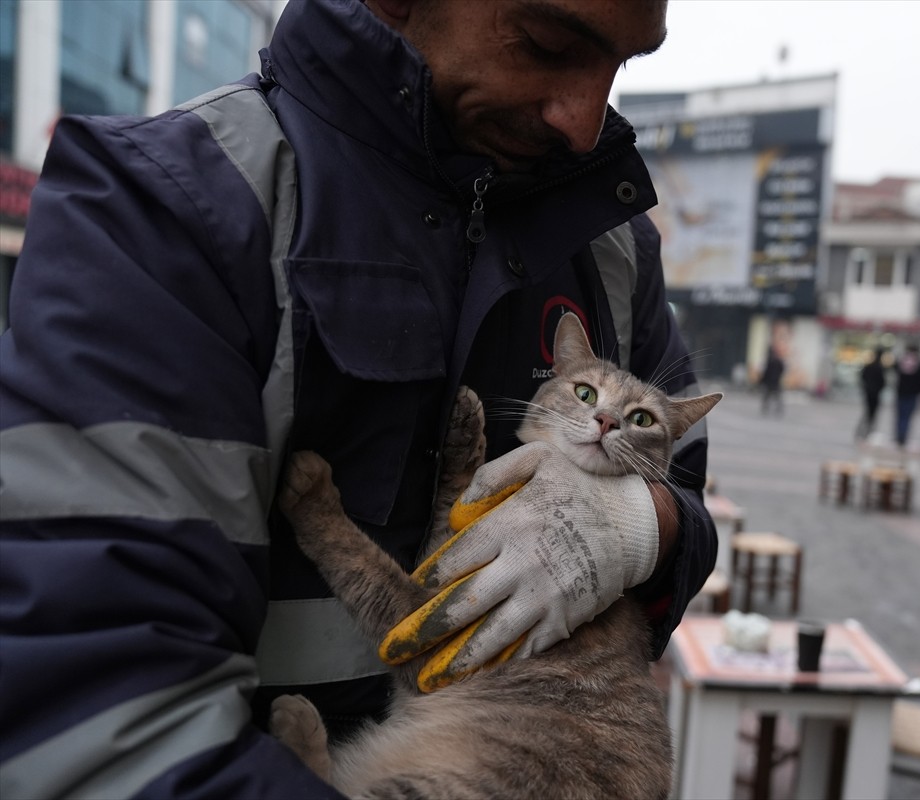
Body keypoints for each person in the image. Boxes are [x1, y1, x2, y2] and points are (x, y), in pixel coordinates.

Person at [0, 1, 717, 797]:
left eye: (623, 66)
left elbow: (684, 496)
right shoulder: (169, 205)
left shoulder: (616, 244)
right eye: (548, 44)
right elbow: (100, 714)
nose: (586, 123)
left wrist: (648, 527)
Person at [893, 344, 920, 448]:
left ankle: (899, 436)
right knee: (907, 417)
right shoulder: (919, 364)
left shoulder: (902, 361)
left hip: (901, 393)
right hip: (912, 394)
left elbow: (895, 370)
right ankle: (903, 437)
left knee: (899, 416)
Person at [855, 347, 886, 440]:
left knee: (868, 413)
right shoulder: (879, 367)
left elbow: (862, 377)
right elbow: (883, 382)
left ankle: (863, 431)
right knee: (871, 414)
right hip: (874, 393)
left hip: (869, 392)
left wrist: (866, 387)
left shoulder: (870, 366)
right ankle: (867, 432)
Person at [760, 342, 785, 416]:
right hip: (772, 381)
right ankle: (768, 408)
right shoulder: (772, 361)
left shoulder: (774, 361)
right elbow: (767, 372)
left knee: (774, 396)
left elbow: (767, 372)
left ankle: (777, 408)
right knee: (769, 396)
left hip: (774, 381)